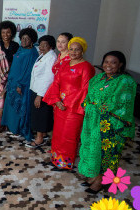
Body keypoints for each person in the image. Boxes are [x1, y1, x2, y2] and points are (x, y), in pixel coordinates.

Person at [78, 51, 136, 193]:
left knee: (107, 154)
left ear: (120, 64)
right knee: (92, 149)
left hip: (111, 125)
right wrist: (88, 105)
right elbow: (89, 96)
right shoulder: (99, 78)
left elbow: (122, 104)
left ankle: (102, 181)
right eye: (106, 62)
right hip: (93, 121)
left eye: (113, 62)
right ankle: (94, 175)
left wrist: (97, 106)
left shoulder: (125, 81)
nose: (108, 65)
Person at [43, 37, 95, 170]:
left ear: (82, 51)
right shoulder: (65, 64)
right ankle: (55, 159)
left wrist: (68, 103)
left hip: (74, 108)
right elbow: (56, 82)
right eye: (71, 49)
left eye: (77, 50)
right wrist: (56, 100)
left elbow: (86, 89)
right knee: (58, 134)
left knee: (69, 135)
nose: (73, 52)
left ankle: (65, 163)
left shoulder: (86, 67)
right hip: (60, 106)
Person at [1, 28, 39, 141]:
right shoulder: (21, 49)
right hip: (12, 83)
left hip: (21, 85)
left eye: (27, 39)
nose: (24, 41)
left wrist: (20, 85)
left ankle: (18, 130)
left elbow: (28, 72)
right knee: (11, 107)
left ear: (32, 41)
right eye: (22, 38)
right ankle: (12, 128)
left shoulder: (31, 53)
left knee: (19, 108)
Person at [27, 35, 57, 148]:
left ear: (51, 46)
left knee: (40, 115)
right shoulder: (43, 55)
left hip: (42, 91)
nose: (41, 47)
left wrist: (40, 95)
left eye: (45, 45)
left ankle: (39, 139)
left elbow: (48, 78)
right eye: (40, 45)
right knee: (40, 113)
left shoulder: (51, 57)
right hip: (37, 88)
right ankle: (43, 135)